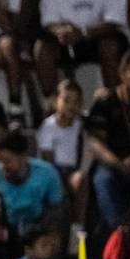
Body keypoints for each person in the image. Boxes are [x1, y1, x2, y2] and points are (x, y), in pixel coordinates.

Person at [36, 0, 130, 105]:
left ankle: (112, 103)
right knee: (42, 48)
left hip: (98, 37)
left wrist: (83, 32)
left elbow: (114, 23)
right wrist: (61, 31)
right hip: (66, 38)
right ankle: (51, 103)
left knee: (110, 45)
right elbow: (48, 21)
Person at [86, 49, 130, 231]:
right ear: (122, 73)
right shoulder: (106, 101)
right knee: (103, 179)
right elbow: (94, 141)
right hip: (114, 163)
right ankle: (120, 233)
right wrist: (118, 164)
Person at [0, 129, 64, 232]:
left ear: (23, 156)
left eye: (7, 161)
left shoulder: (47, 174)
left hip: (37, 230)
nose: (2, 166)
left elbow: (55, 208)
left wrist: (39, 232)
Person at [37, 79, 86, 225]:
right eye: (66, 101)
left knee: (82, 180)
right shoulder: (48, 127)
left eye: (76, 102)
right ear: (56, 101)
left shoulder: (81, 126)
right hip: (54, 169)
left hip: (73, 172)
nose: (71, 106)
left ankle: (79, 225)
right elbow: (48, 160)